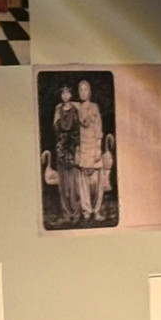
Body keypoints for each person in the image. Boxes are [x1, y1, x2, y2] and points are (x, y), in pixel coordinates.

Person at [71, 78, 108, 218]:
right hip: (82, 146)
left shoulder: (94, 107)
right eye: (80, 89)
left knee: (98, 181)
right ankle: (86, 211)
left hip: (93, 146)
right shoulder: (76, 108)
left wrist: (98, 148)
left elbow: (98, 128)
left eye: (85, 89)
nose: (83, 92)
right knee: (83, 181)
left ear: (89, 92)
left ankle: (97, 210)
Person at [51, 84, 81, 223]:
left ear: (71, 95)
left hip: (72, 148)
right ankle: (66, 213)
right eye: (63, 93)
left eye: (67, 93)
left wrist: (77, 149)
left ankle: (76, 212)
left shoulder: (75, 110)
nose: (65, 95)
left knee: (73, 183)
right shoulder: (58, 110)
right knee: (62, 184)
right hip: (61, 148)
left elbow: (78, 130)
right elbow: (55, 128)